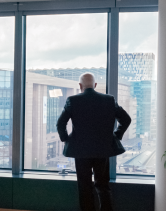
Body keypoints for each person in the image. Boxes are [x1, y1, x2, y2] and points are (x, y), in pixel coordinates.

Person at [56, 73, 131, 211]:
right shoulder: (109, 100)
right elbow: (126, 119)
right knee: (103, 185)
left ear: (80, 86)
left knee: (84, 186)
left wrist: (66, 139)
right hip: (102, 150)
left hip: (81, 150)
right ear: (95, 85)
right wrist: (116, 135)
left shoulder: (72, 100)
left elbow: (60, 123)